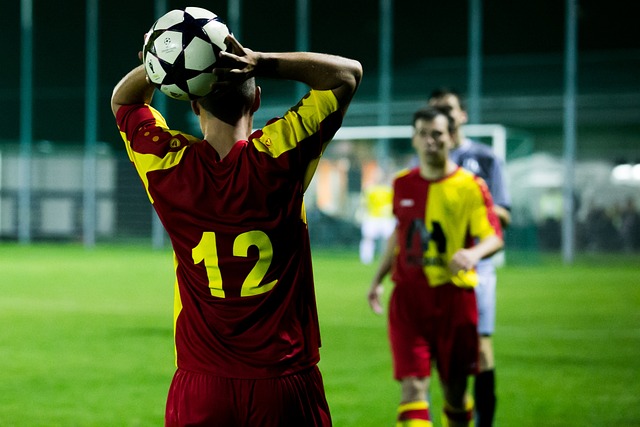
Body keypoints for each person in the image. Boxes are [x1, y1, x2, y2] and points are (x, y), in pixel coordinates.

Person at [111, 29, 362, 427]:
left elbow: (124, 100)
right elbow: (346, 74)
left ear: (193, 103)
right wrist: (259, 60)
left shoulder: (168, 166)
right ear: (258, 100)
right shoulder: (280, 155)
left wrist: (161, 60)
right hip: (283, 382)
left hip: (201, 385)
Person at [367, 107, 503, 427]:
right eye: (423, 134)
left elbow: (493, 236)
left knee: (454, 393)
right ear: (414, 139)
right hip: (409, 301)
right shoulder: (401, 184)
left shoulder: (470, 185)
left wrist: (473, 254)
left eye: (438, 134)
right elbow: (398, 236)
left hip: (454, 299)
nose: (430, 141)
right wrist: (376, 280)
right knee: (413, 387)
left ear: (451, 138)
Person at [428, 88, 511, 427]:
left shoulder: (484, 158)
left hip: (476, 265)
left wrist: (468, 203)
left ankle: (485, 422)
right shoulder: (424, 159)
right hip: (433, 269)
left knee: (480, 347)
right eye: (436, 111)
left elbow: (503, 214)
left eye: (448, 110)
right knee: (434, 352)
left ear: (462, 115)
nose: (442, 117)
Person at [359, 178, 395, 265]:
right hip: (374, 217)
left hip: (385, 218)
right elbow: (364, 202)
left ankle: (388, 258)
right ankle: (366, 259)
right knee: (368, 238)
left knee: (390, 240)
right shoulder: (371, 190)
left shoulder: (389, 190)